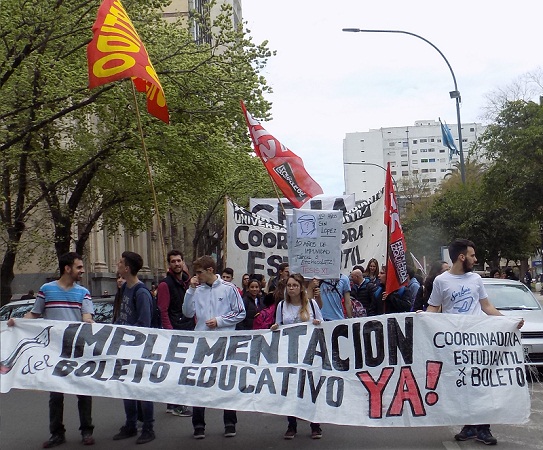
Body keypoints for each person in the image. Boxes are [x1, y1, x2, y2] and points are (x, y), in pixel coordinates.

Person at [427, 239, 524, 446]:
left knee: (483, 383)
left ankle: (484, 428)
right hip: (455, 342)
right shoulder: (441, 281)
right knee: (463, 385)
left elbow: (487, 306)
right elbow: (433, 308)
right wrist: (421, 319)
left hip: (479, 341)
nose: (475, 259)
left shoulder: (475, 280)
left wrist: (508, 321)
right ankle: (469, 426)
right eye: (472, 255)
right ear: (462, 257)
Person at [15, 252, 95, 448]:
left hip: (77, 350)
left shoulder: (83, 292)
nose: (82, 271)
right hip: (53, 352)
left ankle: (86, 431)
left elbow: (87, 316)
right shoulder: (46, 290)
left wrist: (90, 322)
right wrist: (16, 323)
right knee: (56, 394)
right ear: (67, 268)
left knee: (83, 391)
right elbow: (34, 314)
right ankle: (57, 433)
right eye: (79, 267)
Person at [182, 255, 246, 440]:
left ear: (210, 270)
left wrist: (220, 321)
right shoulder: (197, 290)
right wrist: (190, 291)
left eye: (199, 272)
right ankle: (199, 424)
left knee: (226, 380)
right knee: (198, 382)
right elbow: (187, 312)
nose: (197, 276)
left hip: (224, 341)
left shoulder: (229, 289)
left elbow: (240, 312)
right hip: (202, 342)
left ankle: (229, 421)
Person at [271, 273, 323, 439]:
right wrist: (274, 327)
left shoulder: (311, 305)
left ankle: (315, 425)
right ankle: (291, 425)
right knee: (291, 389)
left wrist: (317, 323)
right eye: (289, 285)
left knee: (309, 388)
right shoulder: (281, 306)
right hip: (290, 353)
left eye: (294, 285)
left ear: (301, 288)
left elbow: (322, 323)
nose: (291, 288)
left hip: (308, 353)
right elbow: (278, 324)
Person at [113, 251, 155, 445]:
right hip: (124, 348)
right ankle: (131, 424)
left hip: (138, 349)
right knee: (126, 387)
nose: (118, 265)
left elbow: (144, 324)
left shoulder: (141, 292)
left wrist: (126, 335)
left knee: (142, 388)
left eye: (120, 263)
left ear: (127, 268)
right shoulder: (125, 289)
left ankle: (148, 427)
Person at [157, 250, 194, 417]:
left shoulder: (188, 281)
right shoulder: (165, 285)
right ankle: (176, 404)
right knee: (176, 371)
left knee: (184, 369)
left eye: (179, 260)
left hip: (188, 329)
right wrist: (169, 332)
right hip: (174, 332)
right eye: (173, 261)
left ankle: (175, 403)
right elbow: (163, 310)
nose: (177, 264)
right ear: (169, 264)